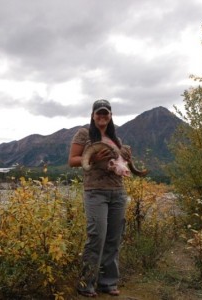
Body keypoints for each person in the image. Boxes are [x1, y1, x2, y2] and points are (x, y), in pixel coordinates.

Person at [68, 99, 145, 297]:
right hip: (95, 191)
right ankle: (86, 283)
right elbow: (74, 160)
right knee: (97, 236)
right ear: (93, 115)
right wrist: (92, 158)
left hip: (118, 192)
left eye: (106, 113)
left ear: (110, 116)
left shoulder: (115, 137)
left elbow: (120, 161)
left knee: (113, 238)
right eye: (98, 113)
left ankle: (108, 282)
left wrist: (126, 159)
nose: (102, 116)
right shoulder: (84, 134)